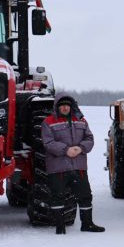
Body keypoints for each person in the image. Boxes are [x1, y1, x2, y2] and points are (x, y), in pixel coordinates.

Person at [41, 95, 105, 234]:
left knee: (85, 195)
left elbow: (89, 138)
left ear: (71, 106)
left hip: (79, 167)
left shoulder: (81, 121)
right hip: (58, 168)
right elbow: (48, 143)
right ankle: (60, 226)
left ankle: (87, 224)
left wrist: (81, 148)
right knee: (57, 196)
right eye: (62, 105)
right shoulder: (48, 122)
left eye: (67, 105)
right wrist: (65, 150)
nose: (65, 107)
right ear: (57, 107)